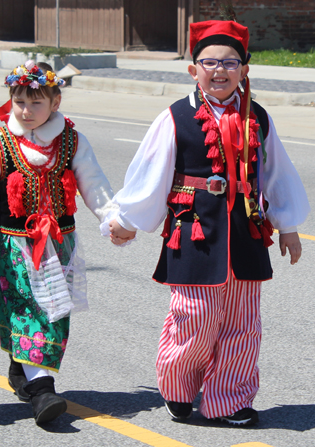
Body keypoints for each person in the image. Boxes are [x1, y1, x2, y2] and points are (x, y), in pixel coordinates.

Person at [108, 20, 310, 426]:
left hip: (246, 235)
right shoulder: (175, 117)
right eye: (210, 62)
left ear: (245, 69)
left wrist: (287, 225)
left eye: (231, 62)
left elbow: (276, 175)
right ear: (193, 69)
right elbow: (151, 174)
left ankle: (230, 400)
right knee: (194, 319)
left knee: (242, 324)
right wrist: (127, 219)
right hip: (195, 232)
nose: (220, 70)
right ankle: (180, 388)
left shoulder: (259, 118)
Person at [0, 61, 116, 425]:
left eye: (36, 102)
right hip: (17, 247)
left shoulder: (72, 142)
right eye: (19, 101)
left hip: (61, 244)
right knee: (28, 310)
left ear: (55, 101)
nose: (26, 110)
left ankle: (23, 369)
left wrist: (112, 218)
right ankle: (42, 389)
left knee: (55, 313)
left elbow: (93, 184)